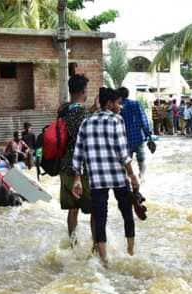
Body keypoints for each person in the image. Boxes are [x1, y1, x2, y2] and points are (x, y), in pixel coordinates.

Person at [72, 87, 140, 264]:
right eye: (118, 103)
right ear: (109, 103)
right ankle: (131, 252)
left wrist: (77, 180)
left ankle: (104, 260)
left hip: (97, 179)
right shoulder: (116, 120)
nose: (120, 106)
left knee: (100, 217)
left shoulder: (86, 122)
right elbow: (122, 151)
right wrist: (132, 174)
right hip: (117, 176)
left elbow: (78, 153)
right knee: (127, 213)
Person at [60, 74, 95, 242]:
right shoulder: (82, 113)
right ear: (83, 91)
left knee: (72, 209)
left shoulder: (63, 109)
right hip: (82, 170)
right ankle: (96, 247)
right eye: (87, 89)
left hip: (65, 166)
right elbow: (84, 142)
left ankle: (73, 243)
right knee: (94, 209)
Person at [118, 87, 152, 182]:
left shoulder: (117, 107)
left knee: (126, 160)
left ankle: (128, 178)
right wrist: (148, 134)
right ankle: (142, 175)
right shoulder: (135, 104)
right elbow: (143, 119)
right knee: (141, 158)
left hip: (125, 140)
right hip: (138, 137)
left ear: (119, 96)